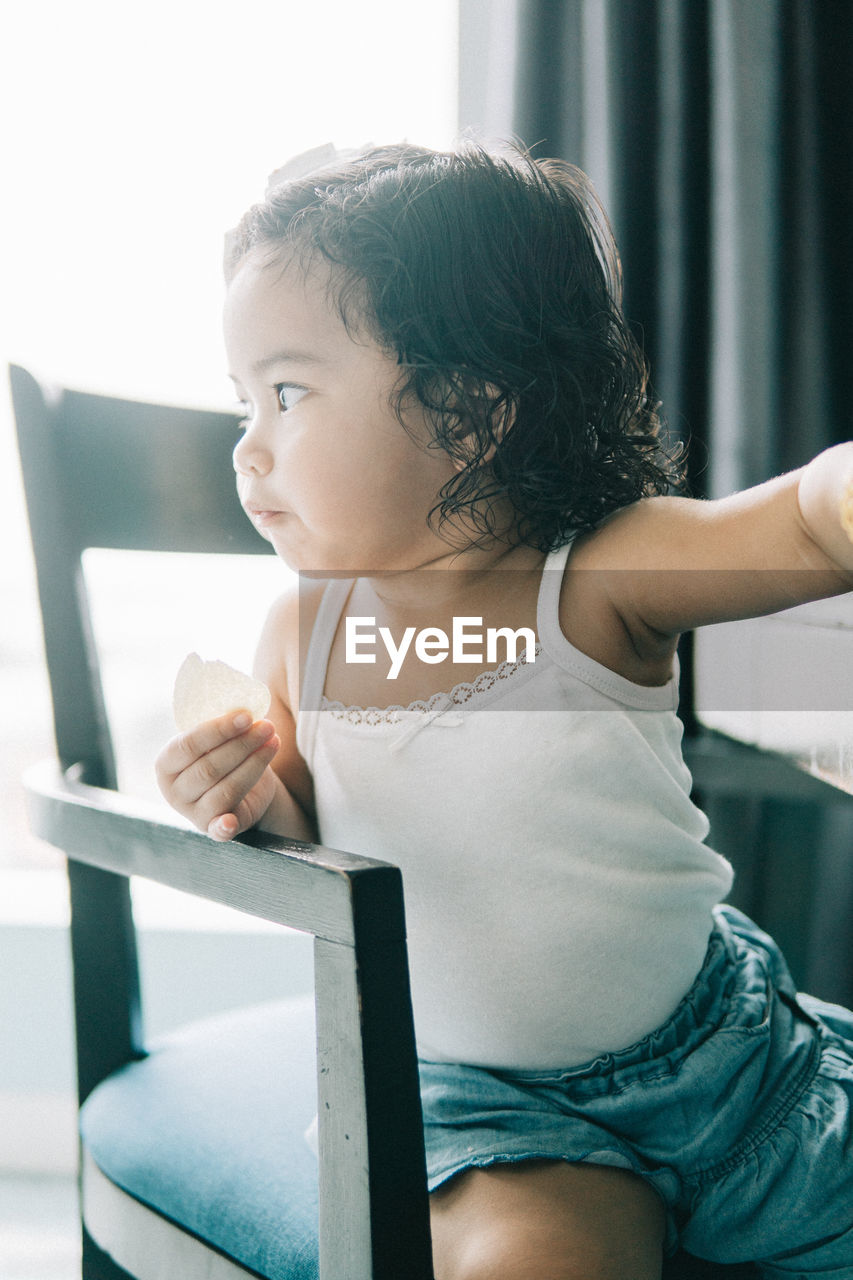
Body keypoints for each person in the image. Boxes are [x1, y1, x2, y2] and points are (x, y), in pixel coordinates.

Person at [156, 142, 853, 1279]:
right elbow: (310, 832)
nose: (248, 444)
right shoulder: (303, 633)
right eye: (245, 399)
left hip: (730, 1067)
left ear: (470, 411)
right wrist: (246, 795)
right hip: (480, 1100)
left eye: (286, 391)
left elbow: (802, 527)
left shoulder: (597, 581)